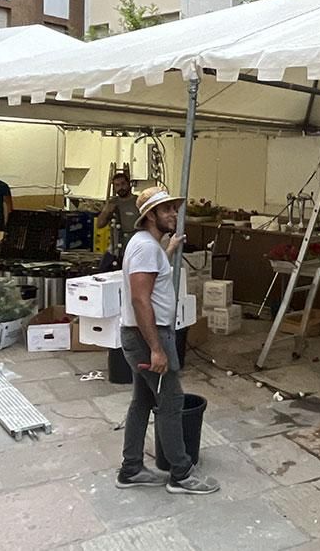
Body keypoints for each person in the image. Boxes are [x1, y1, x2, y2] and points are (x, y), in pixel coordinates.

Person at [116, 186, 219, 494]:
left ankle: (131, 469)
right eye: (167, 210)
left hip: (142, 334)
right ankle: (181, 474)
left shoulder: (147, 245)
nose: (174, 213)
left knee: (143, 401)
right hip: (149, 335)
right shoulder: (146, 248)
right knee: (171, 402)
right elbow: (140, 300)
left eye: (174, 208)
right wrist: (157, 349)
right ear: (150, 215)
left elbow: (152, 273)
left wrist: (169, 250)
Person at [96, 172, 140, 270]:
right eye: (117, 185)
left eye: (123, 184)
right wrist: (107, 211)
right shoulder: (112, 203)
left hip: (133, 248)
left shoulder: (138, 202)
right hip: (115, 250)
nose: (121, 187)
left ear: (129, 184)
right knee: (102, 271)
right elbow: (99, 224)